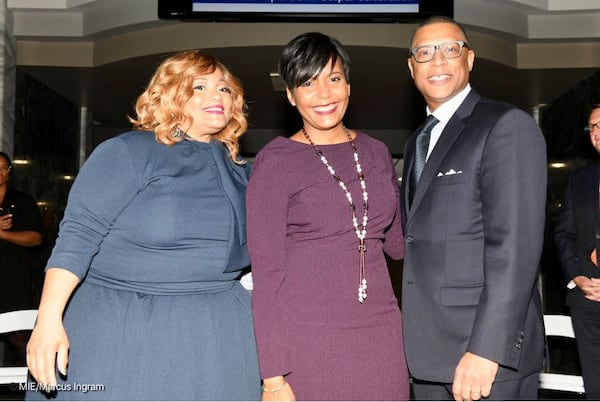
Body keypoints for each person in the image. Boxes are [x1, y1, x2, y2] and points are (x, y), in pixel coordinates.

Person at [25, 50, 261, 400]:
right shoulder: (127, 152)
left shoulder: (245, 171)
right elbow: (78, 237)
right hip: (125, 326)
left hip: (217, 336)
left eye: (225, 89)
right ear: (170, 93)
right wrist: (48, 320)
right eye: (200, 86)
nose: (217, 96)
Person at [246, 32, 408, 401]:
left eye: (333, 78)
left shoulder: (377, 152)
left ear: (348, 85)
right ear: (290, 95)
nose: (324, 94)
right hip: (309, 342)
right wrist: (273, 379)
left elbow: (400, 244)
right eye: (307, 82)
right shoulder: (276, 161)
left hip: (383, 336)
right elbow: (267, 278)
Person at [400, 16, 547, 401]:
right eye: (425, 53)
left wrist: (486, 350)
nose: (438, 61)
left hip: (483, 359)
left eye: (450, 50)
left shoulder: (505, 125)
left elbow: (515, 249)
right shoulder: (419, 139)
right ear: (412, 66)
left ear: (470, 59)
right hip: (427, 356)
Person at [554, 103, 600, 400]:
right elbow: (564, 234)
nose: (597, 132)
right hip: (587, 300)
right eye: (593, 127)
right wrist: (577, 277)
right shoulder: (580, 179)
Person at [0, 151, 43, 366]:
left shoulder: (22, 202)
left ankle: (37, 389)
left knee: (20, 341)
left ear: (9, 172)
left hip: (13, 282)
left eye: (3, 167)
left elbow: (35, 239)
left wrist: (2, 234)